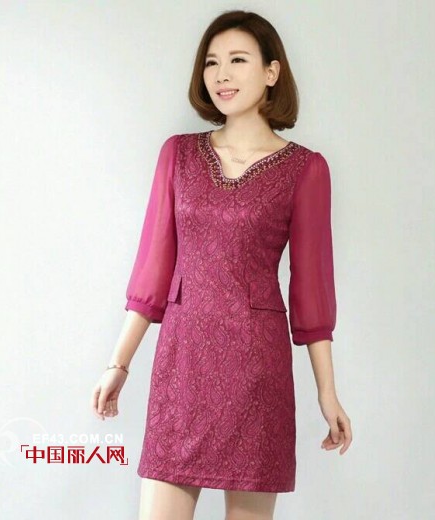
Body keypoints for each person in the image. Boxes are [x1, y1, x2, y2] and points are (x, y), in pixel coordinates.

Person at [91, 9, 352, 520]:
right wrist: (118, 365)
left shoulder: (306, 170)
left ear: (272, 72)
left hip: (257, 373)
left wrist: (328, 393)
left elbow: (312, 290)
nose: (221, 75)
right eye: (211, 62)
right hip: (182, 367)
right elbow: (153, 272)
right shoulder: (178, 155)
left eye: (237, 60)